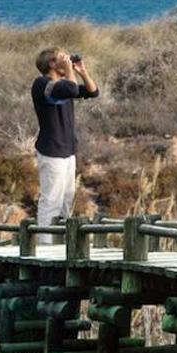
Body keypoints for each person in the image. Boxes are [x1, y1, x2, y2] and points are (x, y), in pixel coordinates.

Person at [31, 48, 99, 243]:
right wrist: (69, 70)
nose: (67, 59)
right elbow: (70, 89)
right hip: (52, 150)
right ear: (52, 63)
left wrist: (82, 71)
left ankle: (60, 242)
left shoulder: (62, 84)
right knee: (51, 199)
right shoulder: (43, 84)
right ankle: (45, 245)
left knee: (66, 200)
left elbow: (93, 92)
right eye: (62, 57)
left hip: (67, 150)